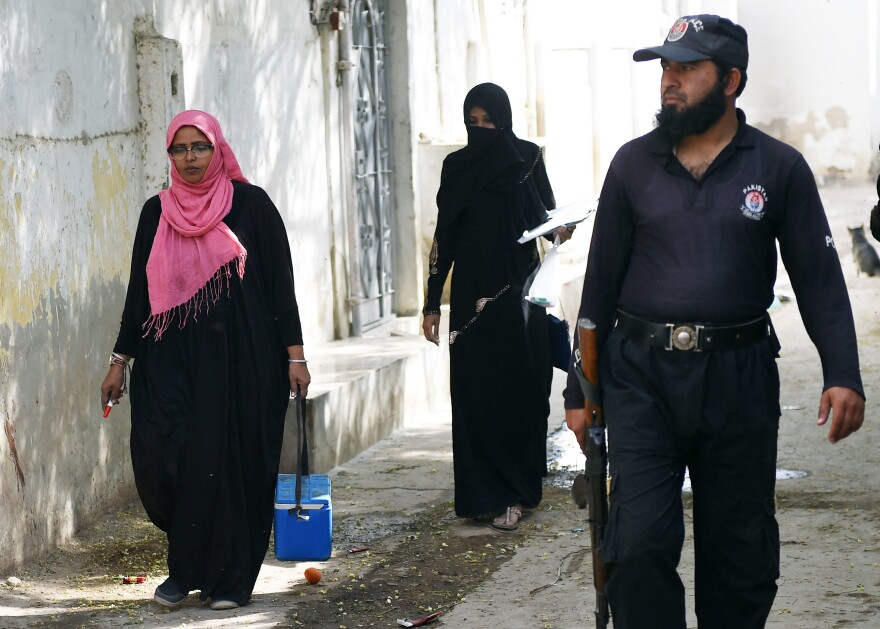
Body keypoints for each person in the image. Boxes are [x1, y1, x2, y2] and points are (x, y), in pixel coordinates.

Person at [563, 15, 865, 628]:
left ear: (731, 81)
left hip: (739, 380)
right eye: (666, 69)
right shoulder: (631, 166)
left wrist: (843, 372)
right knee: (639, 541)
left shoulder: (779, 168)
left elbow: (818, 277)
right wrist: (579, 388)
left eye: (686, 70)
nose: (669, 83)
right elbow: (599, 283)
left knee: (740, 553)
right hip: (641, 379)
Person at [100, 110, 310, 610]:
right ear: (169, 154)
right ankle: (187, 565)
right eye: (180, 148)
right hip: (171, 361)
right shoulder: (157, 211)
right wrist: (119, 360)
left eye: (200, 147)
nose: (190, 158)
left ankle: (230, 579)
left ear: (218, 149)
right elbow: (139, 294)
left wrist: (295, 357)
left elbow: (282, 287)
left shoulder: (253, 206)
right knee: (165, 457)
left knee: (232, 464)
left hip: (244, 361)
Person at [422, 83, 573, 531]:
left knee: (519, 393)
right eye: (474, 122)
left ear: (504, 119)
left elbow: (546, 218)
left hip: (521, 298)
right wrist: (432, 302)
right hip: (470, 302)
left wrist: (562, 231)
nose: (481, 130)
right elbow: (444, 234)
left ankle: (517, 494)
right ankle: (480, 496)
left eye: (489, 121)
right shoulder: (456, 166)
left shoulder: (526, 159)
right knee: (474, 396)